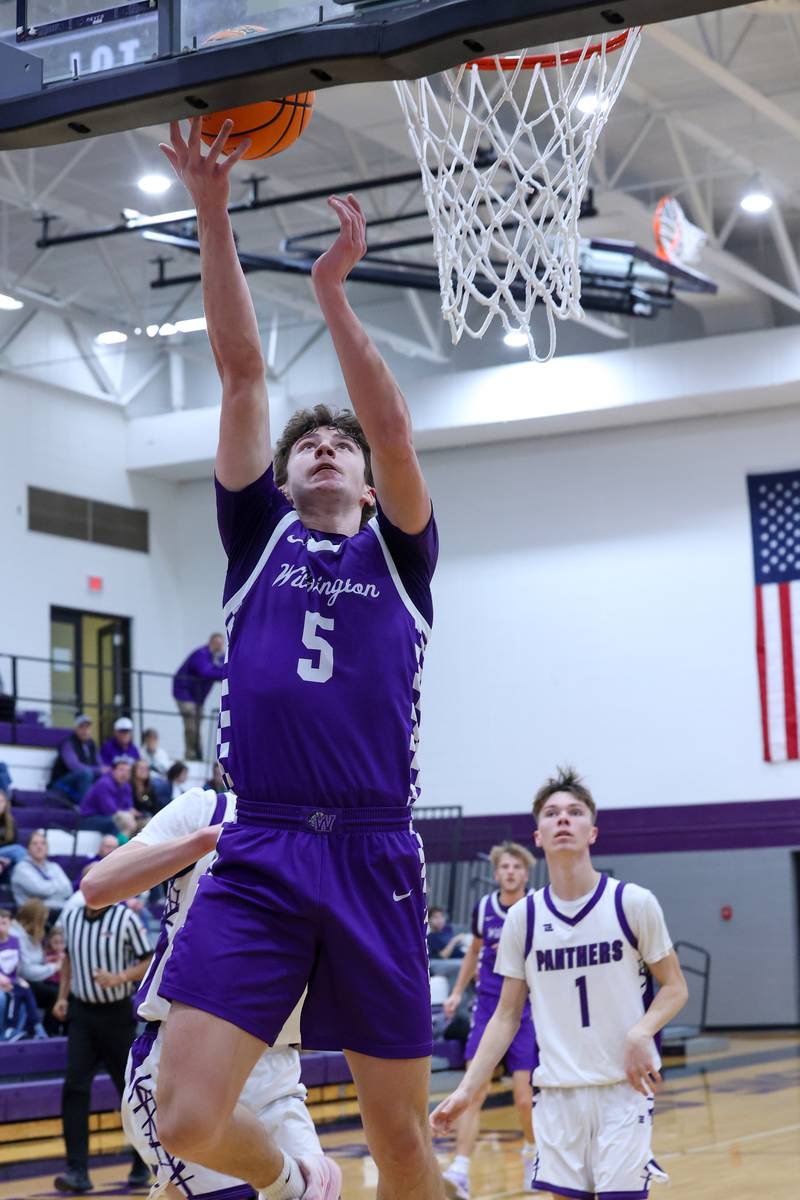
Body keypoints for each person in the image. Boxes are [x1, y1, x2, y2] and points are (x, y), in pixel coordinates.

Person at [153, 118, 441, 1200]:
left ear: (368, 484)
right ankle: (295, 1177)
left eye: (342, 446)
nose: (323, 446)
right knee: (179, 1116)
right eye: (304, 445)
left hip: (371, 850)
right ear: (280, 482)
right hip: (264, 845)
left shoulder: (402, 557)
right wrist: (214, 209)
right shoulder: (255, 541)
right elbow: (237, 373)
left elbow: (399, 432)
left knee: (405, 1145)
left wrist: (333, 293)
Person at [431, 768, 689, 1200]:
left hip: (621, 1093)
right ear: (538, 835)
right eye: (552, 813)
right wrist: (466, 1090)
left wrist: (643, 1030)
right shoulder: (523, 919)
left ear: (593, 831)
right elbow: (506, 1016)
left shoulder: (632, 903)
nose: (563, 819)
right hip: (556, 1096)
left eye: (575, 812)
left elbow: (675, 987)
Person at [82, 786, 342, 1200]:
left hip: (275, 1065)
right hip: (181, 1056)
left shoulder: (330, 827)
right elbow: (97, 886)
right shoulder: (208, 808)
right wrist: (207, 840)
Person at [440, 843, 537, 1199]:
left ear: (526, 874)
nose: (510, 872)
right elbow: (474, 954)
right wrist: (455, 992)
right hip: (488, 1007)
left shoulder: (536, 908)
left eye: (516, 867)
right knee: (474, 1089)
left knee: (524, 1097)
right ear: (496, 874)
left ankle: (532, 1151)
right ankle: (461, 1168)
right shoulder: (484, 909)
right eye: (505, 867)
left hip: (526, 1009)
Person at [52, 891, 153, 1192]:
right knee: (74, 1088)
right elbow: (68, 958)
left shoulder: (125, 918)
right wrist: (61, 997)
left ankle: (143, 1161)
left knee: (129, 1092)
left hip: (116, 1015)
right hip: (82, 1014)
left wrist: (120, 977)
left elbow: (149, 959)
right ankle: (77, 1171)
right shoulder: (71, 918)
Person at [12, 898, 63, 1033]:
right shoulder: (16, 936)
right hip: (19, 981)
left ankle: (61, 1032)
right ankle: (49, 1032)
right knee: (54, 994)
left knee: (65, 989)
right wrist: (54, 967)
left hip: (37, 978)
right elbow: (26, 971)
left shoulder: (33, 934)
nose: (45, 923)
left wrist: (52, 960)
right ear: (34, 919)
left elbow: (39, 961)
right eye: (43, 919)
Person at [172, 636, 226, 760]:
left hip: (198, 697)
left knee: (196, 724)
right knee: (191, 724)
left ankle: (196, 752)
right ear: (212, 642)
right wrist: (224, 672)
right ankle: (192, 754)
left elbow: (226, 667)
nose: (221, 646)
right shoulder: (201, 654)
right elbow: (206, 672)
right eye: (218, 643)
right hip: (184, 692)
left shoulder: (218, 657)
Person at [0, 907, 48, 1040]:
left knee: (26, 988)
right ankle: (10, 1029)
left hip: (12, 980)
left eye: (4, 923)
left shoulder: (15, 941)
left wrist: (17, 979)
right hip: (3, 982)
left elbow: (17, 965)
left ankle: (35, 1027)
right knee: (13, 994)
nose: (1, 927)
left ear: (10, 924)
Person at [11, 831, 73, 917]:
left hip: (56, 912)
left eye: (43, 843)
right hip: (31, 917)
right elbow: (41, 890)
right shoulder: (21, 868)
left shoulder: (54, 866)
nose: (39, 847)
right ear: (28, 848)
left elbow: (68, 889)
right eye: (35, 844)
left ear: (47, 848)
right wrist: (58, 886)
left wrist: (50, 888)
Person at [49, 716, 106, 804]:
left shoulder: (92, 745)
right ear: (75, 729)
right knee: (85, 773)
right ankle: (85, 810)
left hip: (81, 783)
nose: (85, 731)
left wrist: (107, 771)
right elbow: (75, 767)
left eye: (87, 727)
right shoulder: (68, 743)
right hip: (61, 784)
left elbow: (100, 764)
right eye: (81, 727)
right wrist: (99, 770)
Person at [79, 757, 136, 836]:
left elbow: (128, 807)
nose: (125, 774)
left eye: (128, 771)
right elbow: (109, 810)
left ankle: (128, 845)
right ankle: (118, 846)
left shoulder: (126, 786)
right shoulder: (104, 783)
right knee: (115, 823)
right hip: (89, 818)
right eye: (121, 770)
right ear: (113, 771)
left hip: (107, 816)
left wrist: (131, 814)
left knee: (142, 824)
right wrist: (128, 815)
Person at [0, 788, 27, 876]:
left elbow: (14, 842)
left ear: (6, 804)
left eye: (1, 801)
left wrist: (7, 860)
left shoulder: (10, 822)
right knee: (18, 850)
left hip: (7, 856)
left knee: (15, 866)